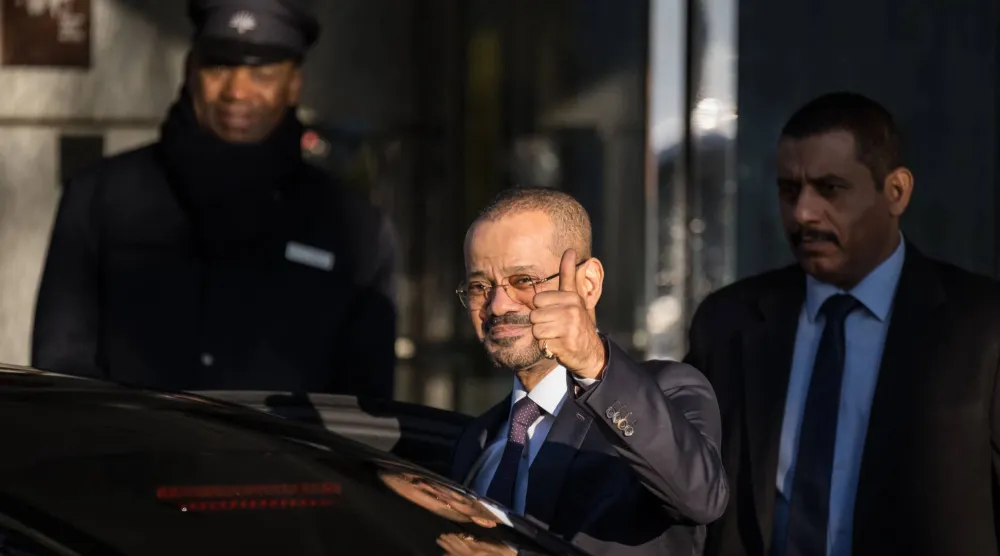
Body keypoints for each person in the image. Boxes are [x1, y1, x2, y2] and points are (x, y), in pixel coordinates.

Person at [687, 92, 1000, 556]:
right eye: (789, 190)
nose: (803, 214)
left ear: (896, 192)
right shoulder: (729, 322)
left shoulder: (983, 328)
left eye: (829, 189)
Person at [31, 0, 397, 398]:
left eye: (262, 72)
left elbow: (366, 407)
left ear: (294, 85)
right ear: (190, 70)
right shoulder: (99, 197)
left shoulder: (354, 229)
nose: (237, 91)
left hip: (286, 461)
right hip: (126, 457)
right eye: (219, 67)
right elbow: (61, 374)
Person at [450, 187, 729, 555]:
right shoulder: (480, 439)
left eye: (523, 281)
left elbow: (702, 496)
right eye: (479, 286)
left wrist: (595, 364)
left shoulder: (668, 390)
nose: (498, 305)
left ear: (588, 284)